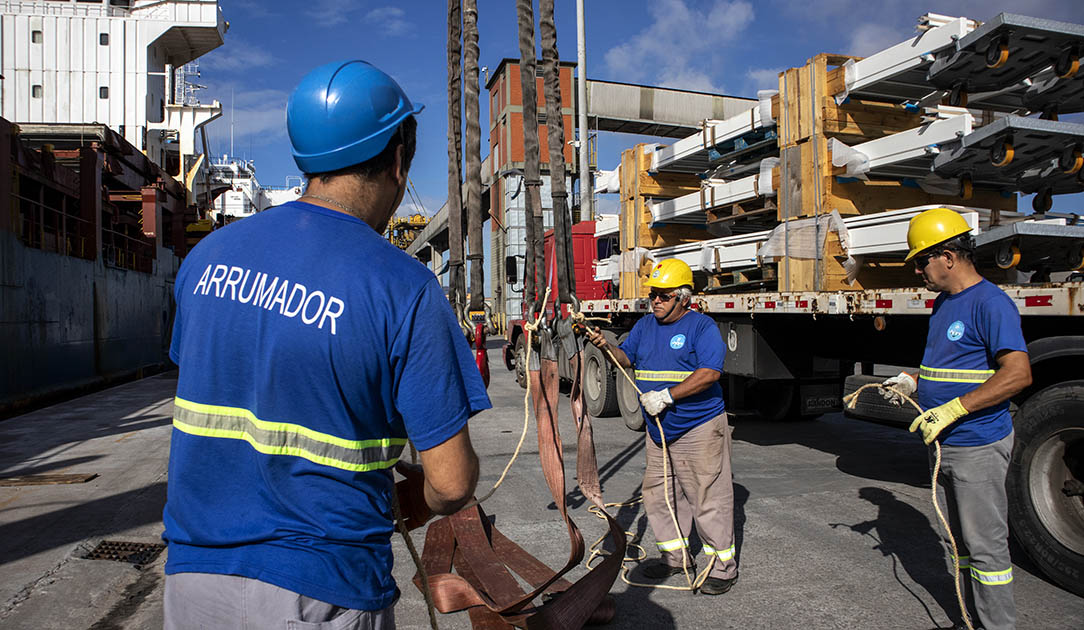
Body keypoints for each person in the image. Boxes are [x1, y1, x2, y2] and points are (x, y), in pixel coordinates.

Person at [162, 60, 490, 630]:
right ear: (397, 159)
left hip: (193, 582)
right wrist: (418, 500)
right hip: (321, 590)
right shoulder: (403, 287)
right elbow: (452, 481)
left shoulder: (205, 261)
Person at [881, 207, 1031, 630]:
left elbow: (1018, 373)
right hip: (947, 446)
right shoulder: (944, 304)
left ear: (947, 256)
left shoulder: (990, 303)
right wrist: (912, 380)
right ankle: (971, 620)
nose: (917, 270)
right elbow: (948, 368)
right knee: (961, 546)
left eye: (920, 260)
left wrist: (955, 408)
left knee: (987, 553)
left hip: (978, 444)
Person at [585, 258, 738, 596]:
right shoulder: (645, 327)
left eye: (664, 295)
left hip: (698, 426)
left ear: (684, 298)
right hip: (659, 431)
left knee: (707, 497)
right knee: (658, 496)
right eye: (653, 294)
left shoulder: (701, 327)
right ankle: (676, 558)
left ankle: (721, 568)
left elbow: (710, 373)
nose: (655, 300)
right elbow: (626, 358)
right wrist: (605, 346)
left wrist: (668, 396)